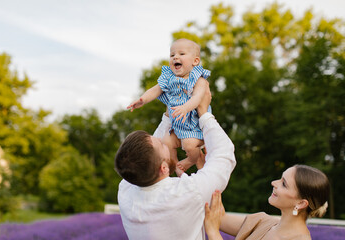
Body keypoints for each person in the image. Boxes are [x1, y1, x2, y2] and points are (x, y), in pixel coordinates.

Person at [116, 85, 236, 240]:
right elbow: (224, 155)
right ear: (163, 168)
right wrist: (204, 113)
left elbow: (148, 154)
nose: (165, 142)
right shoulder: (188, 192)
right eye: (162, 145)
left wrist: (168, 115)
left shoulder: (126, 190)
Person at [127, 38, 211, 175]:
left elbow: (198, 97)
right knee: (166, 143)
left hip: (194, 126)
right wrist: (143, 99)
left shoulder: (198, 79)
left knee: (189, 145)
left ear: (195, 61)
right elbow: (155, 89)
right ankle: (176, 166)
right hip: (177, 126)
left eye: (181, 54)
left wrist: (185, 108)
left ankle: (191, 160)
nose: (175, 57)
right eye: (172, 55)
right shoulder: (168, 77)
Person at [204, 165, 330, 240]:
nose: (274, 183)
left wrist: (214, 234)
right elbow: (217, 217)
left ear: (301, 204)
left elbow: (213, 226)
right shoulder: (263, 222)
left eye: (284, 184)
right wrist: (207, 173)